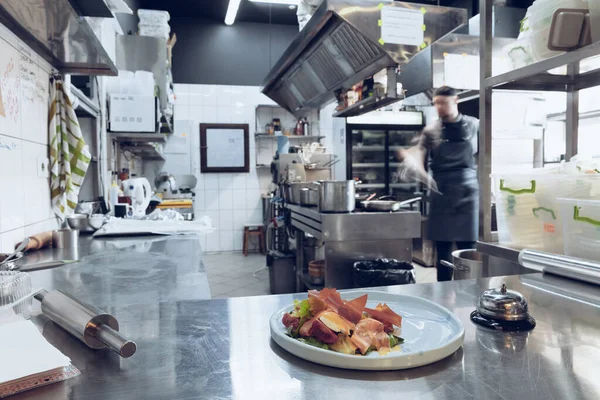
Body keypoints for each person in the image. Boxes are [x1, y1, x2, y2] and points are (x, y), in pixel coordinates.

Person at [397, 86, 479, 281]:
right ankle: (443, 294)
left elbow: (485, 156)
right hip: (441, 191)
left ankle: (467, 293)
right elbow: (418, 156)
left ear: (456, 101)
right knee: (442, 251)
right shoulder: (431, 130)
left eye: (443, 102)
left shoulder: (474, 125)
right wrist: (417, 168)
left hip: (468, 193)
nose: (439, 107)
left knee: (468, 251)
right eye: (436, 104)